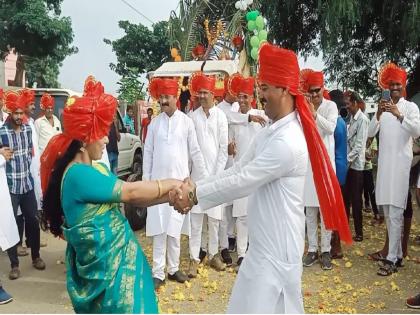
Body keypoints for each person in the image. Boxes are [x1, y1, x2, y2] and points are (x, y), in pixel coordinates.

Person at [170, 43, 351, 314]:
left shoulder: (288, 141)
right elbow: (236, 170)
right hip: (261, 248)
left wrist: (194, 195)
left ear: (286, 90)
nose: (260, 94)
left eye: (265, 87)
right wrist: (197, 186)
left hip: (278, 250)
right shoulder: (269, 131)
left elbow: (244, 179)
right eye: (260, 87)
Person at [40, 77, 183, 313]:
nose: (107, 139)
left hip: (112, 273)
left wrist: (170, 197)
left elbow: (132, 196)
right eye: (102, 133)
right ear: (85, 139)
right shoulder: (78, 175)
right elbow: (131, 191)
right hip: (111, 280)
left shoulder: (93, 169)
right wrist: (175, 183)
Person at [143, 77, 207, 288]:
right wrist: (146, 181)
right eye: (161, 97)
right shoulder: (154, 124)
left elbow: (195, 152)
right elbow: (148, 153)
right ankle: (158, 272)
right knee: (160, 228)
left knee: (174, 227)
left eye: (167, 97)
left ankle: (173, 269)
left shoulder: (186, 122)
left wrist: (204, 180)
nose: (163, 101)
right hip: (158, 185)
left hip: (179, 185)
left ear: (176, 97)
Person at [368, 62, 420, 276]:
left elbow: (417, 131)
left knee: (397, 211)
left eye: (398, 84)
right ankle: (397, 255)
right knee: (388, 213)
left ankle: (391, 259)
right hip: (384, 168)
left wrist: (399, 114)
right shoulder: (384, 107)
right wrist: (379, 114)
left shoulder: (410, 108)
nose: (395, 88)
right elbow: (370, 133)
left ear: (403, 85)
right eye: (391, 85)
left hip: (399, 167)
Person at [0, 90, 46, 280]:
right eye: (16, 113)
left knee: (33, 222)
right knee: (11, 225)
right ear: (10, 112)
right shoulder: (2, 132)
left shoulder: (28, 129)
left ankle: (36, 256)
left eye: (21, 113)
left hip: (27, 184)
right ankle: (14, 264)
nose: (19, 116)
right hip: (11, 187)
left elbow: (30, 155)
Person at [189, 71, 229, 273]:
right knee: (196, 221)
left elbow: (223, 148)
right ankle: (194, 259)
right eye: (200, 93)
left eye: (206, 92)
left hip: (216, 177)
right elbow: (192, 148)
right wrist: (201, 175)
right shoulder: (192, 117)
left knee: (214, 220)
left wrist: (216, 174)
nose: (202, 96)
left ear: (214, 94)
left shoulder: (221, 117)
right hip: (196, 178)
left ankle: (213, 255)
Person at [228, 74, 267, 271]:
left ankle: (256, 253)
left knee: (257, 215)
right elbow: (228, 119)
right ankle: (242, 254)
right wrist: (230, 148)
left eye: (245, 96)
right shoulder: (235, 118)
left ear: (252, 97)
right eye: (239, 96)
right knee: (242, 216)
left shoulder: (263, 114)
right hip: (241, 173)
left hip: (258, 174)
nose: (242, 100)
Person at [301, 69, 338, 270]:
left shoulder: (331, 106)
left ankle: (326, 250)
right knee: (310, 210)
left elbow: (330, 128)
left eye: (317, 91)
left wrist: (314, 114)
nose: (314, 95)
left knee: (326, 211)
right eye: (311, 91)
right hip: (308, 165)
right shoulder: (303, 108)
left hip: (325, 166)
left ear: (323, 89)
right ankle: (313, 249)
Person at [343, 91, 369, 242]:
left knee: (356, 200)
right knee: (346, 198)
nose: (346, 107)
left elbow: (359, 145)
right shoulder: (351, 119)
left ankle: (359, 233)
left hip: (357, 166)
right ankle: (345, 228)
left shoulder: (363, 120)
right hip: (348, 165)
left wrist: (347, 160)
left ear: (354, 103)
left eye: (348, 104)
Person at [329, 89, 348, 259]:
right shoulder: (341, 122)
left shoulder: (335, 123)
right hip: (342, 165)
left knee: (334, 208)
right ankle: (335, 243)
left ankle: (336, 245)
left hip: (336, 166)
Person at [364, 137, 381, 224]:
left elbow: (370, 156)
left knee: (371, 191)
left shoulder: (373, 138)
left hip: (367, 168)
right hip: (355, 168)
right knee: (355, 192)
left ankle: (376, 213)